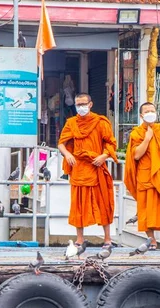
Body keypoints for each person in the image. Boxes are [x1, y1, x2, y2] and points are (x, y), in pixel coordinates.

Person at [57, 93, 118, 248]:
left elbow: (111, 143)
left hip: (97, 167)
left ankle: (107, 239)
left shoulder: (100, 122)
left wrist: (103, 156)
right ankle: (79, 239)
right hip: (79, 167)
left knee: (103, 202)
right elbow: (61, 144)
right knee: (78, 205)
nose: (80, 107)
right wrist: (68, 154)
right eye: (78, 105)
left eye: (83, 104)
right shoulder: (71, 123)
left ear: (90, 104)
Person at [125, 102, 160, 251]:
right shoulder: (136, 133)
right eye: (147, 111)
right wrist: (147, 138)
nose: (150, 113)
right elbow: (136, 155)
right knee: (146, 210)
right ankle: (152, 241)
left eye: (152, 110)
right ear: (141, 115)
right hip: (146, 175)